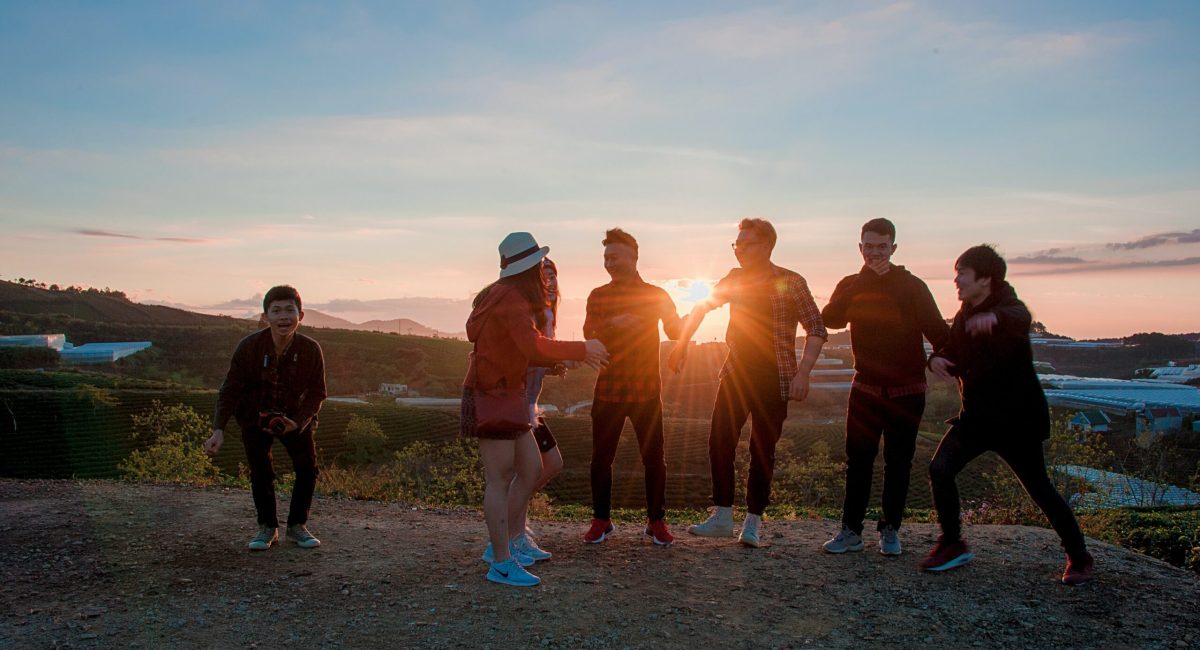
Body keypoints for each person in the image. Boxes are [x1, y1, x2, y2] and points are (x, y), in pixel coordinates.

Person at [923, 244, 1094, 585]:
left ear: (985, 279)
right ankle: (953, 543)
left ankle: (1079, 556)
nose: (955, 280)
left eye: (962, 273)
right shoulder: (965, 313)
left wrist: (995, 318)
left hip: (1016, 422)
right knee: (940, 470)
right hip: (976, 418)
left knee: (1039, 489)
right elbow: (956, 353)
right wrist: (937, 359)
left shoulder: (1008, 308)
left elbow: (1020, 318)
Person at [668, 218, 827, 547]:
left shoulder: (790, 281)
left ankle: (752, 522)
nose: (739, 250)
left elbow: (817, 327)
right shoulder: (735, 279)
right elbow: (702, 306)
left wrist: (804, 372)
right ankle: (723, 515)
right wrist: (683, 342)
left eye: (746, 244)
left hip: (776, 378)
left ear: (767, 246)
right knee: (719, 441)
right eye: (736, 245)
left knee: (762, 450)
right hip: (736, 375)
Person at [463, 232, 608, 587]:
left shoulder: (500, 295)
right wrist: (582, 348)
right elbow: (532, 345)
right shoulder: (510, 298)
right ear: (530, 269)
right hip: (492, 394)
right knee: (499, 479)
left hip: (506, 393)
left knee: (530, 467)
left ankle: (511, 542)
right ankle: (499, 561)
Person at [821, 218, 949, 557]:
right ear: (859, 248)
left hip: (907, 392)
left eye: (881, 246)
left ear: (893, 248)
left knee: (899, 463)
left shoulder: (913, 286)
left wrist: (938, 359)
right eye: (868, 247)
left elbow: (939, 332)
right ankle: (851, 531)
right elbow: (831, 318)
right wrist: (861, 282)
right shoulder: (851, 283)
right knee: (857, 462)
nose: (875, 253)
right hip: (864, 388)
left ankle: (891, 530)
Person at [204, 285, 327, 551]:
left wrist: (300, 421)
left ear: (301, 315)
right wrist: (219, 429)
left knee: (307, 469)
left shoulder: (311, 349)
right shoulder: (249, 347)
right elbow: (230, 389)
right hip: (253, 417)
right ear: (265, 316)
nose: (284, 316)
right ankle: (267, 527)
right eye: (277, 310)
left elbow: (318, 392)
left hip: (295, 418)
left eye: (289, 310)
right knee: (261, 472)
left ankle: (297, 526)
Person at [581, 228, 684, 546]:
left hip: (647, 391)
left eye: (614, 256)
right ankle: (601, 519)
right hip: (608, 389)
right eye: (605, 257)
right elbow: (588, 335)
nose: (608, 262)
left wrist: (695, 317)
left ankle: (656, 521)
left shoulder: (655, 294)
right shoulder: (598, 295)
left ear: (633, 257)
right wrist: (613, 323)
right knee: (601, 458)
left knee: (654, 460)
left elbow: (675, 329)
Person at [510, 257, 567, 562]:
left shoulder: (547, 313)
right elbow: (525, 353)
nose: (552, 281)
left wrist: (553, 365)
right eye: (546, 276)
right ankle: (512, 535)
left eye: (554, 275)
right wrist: (557, 358)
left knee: (550, 464)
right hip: (518, 406)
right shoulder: (531, 312)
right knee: (530, 469)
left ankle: (514, 524)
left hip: (530, 406)